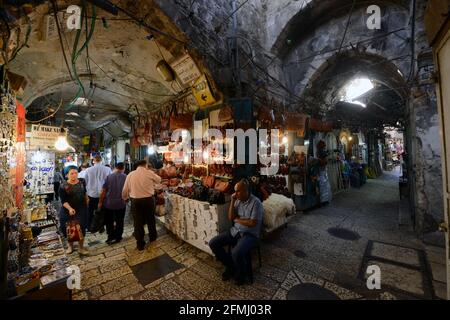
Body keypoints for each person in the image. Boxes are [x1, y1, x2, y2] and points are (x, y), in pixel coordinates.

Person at [208, 179, 263, 286]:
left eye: (237, 191)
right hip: (236, 231)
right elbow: (231, 217)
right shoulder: (237, 200)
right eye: (235, 191)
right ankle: (231, 265)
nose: (235, 194)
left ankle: (242, 274)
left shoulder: (256, 203)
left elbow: (252, 223)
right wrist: (233, 201)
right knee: (213, 243)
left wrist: (238, 220)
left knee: (236, 252)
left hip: (250, 235)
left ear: (246, 191)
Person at [122, 159, 161, 251]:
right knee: (150, 219)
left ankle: (140, 243)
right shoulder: (149, 173)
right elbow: (159, 180)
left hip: (136, 201)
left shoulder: (130, 175)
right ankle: (152, 238)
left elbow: (125, 190)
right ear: (145, 165)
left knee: (138, 221)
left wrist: (125, 198)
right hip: (148, 200)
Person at [59, 166, 89, 255]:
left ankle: (81, 247)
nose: (74, 175)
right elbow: (63, 201)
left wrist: (87, 199)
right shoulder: (63, 186)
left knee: (82, 228)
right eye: (72, 173)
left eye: (76, 173)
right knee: (69, 229)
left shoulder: (82, 181)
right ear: (67, 175)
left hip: (81, 209)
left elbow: (84, 192)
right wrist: (70, 208)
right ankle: (70, 246)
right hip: (68, 211)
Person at [99, 162, 127, 244]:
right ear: (123, 168)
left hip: (109, 203)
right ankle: (118, 237)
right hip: (121, 203)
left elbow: (104, 191)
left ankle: (110, 236)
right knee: (120, 220)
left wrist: (100, 202)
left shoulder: (109, 177)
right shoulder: (126, 177)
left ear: (115, 167)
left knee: (109, 221)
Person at [84, 155, 112, 230]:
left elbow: (85, 182)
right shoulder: (107, 169)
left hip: (91, 194)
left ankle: (89, 226)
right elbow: (110, 181)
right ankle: (101, 226)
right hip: (103, 194)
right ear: (101, 160)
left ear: (93, 161)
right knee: (102, 211)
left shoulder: (88, 170)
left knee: (90, 211)